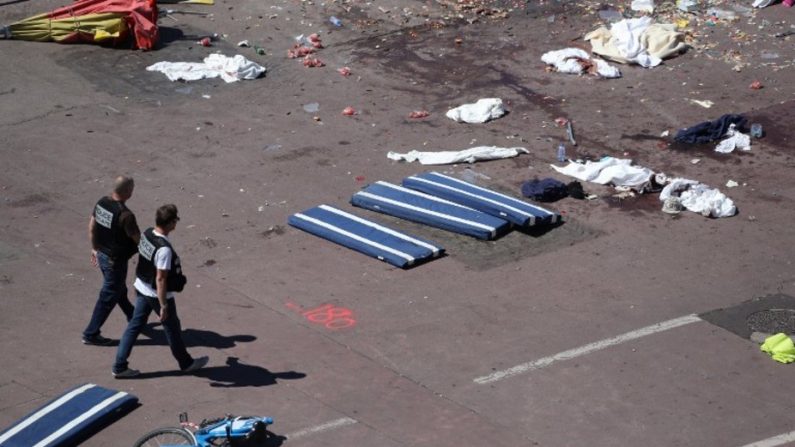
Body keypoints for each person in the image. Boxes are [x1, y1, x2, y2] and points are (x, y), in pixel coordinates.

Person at [113, 204, 208, 378]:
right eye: (176, 220)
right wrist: (163, 304)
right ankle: (186, 363)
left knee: (134, 326)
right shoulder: (164, 249)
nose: (176, 224)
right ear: (171, 222)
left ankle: (119, 366)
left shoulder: (147, 234)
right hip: (156, 294)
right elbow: (161, 279)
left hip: (142, 287)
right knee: (172, 328)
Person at [83, 176, 139, 346]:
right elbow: (137, 239)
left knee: (117, 288)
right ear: (127, 192)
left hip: (102, 254)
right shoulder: (126, 216)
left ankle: (134, 316)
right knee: (108, 296)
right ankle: (91, 333)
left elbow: (92, 227)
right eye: (132, 189)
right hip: (115, 260)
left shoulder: (101, 203)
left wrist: (94, 248)